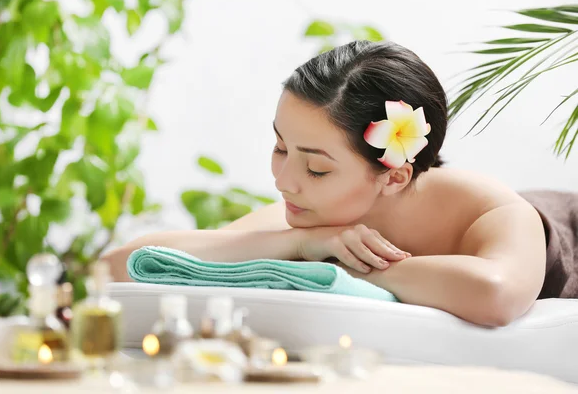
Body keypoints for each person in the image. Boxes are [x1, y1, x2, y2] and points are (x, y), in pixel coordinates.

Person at [103, 40, 573, 327]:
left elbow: (495, 294)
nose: (284, 181)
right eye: (280, 147)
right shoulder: (318, 215)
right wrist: (305, 243)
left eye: (317, 168)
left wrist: (334, 264)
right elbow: (124, 265)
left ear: (394, 176)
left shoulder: (493, 210)